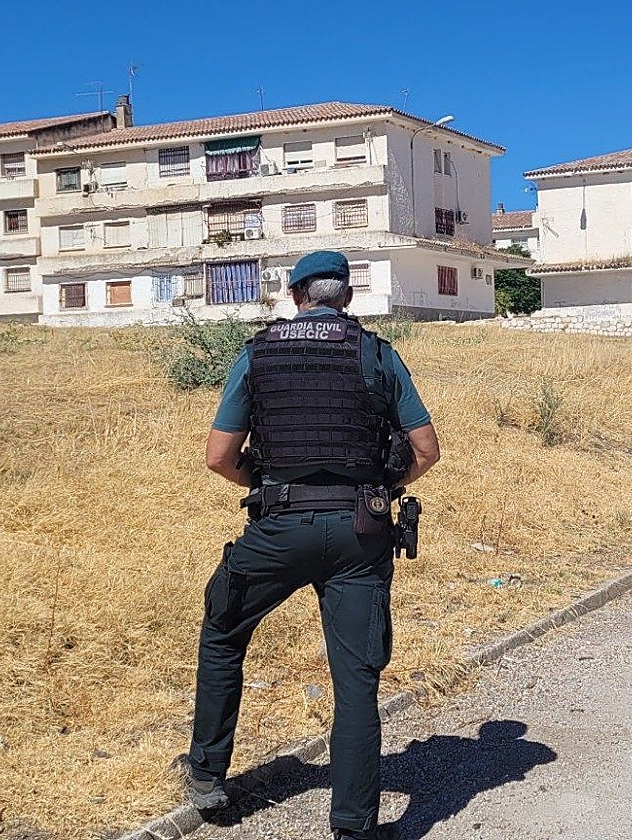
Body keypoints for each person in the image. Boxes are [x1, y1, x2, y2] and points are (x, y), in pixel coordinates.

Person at [187, 250, 441, 840]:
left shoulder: (258, 354)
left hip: (278, 529)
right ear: (345, 297)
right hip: (361, 530)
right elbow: (426, 451)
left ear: (294, 294)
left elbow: (219, 457)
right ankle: (353, 829)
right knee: (356, 682)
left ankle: (206, 775)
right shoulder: (377, 354)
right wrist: (380, 485)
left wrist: (265, 484)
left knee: (224, 630)